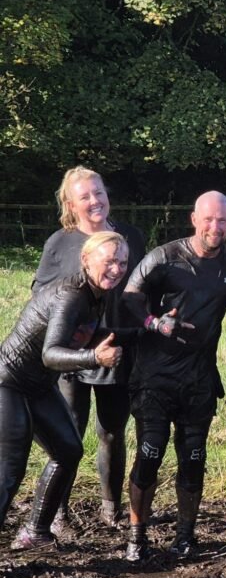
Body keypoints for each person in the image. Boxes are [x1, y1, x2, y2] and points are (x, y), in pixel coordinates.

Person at [120, 191, 226, 560]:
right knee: (150, 453)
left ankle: (185, 536)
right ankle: (136, 536)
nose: (214, 227)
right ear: (194, 219)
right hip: (155, 377)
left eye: (222, 220)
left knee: (194, 459)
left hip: (200, 379)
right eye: (208, 219)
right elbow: (129, 295)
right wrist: (154, 323)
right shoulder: (165, 257)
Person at [33, 167, 146, 529]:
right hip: (74, 355)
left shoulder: (130, 236)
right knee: (69, 433)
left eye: (98, 192)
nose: (95, 201)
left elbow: (144, 290)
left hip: (117, 350)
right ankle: (58, 512)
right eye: (85, 196)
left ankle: (111, 507)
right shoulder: (59, 243)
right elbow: (41, 295)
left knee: (112, 431)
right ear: (71, 203)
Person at [2, 231, 127, 549]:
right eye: (109, 260)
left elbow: (94, 331)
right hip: (10, 382)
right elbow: (51, 353)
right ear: (86, 259)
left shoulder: (97, 292)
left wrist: (152, 331)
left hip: (38, 386)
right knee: (10, 467)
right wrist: (94, 357)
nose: (117, 268)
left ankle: (36, 532)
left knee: (68, 450)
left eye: (123, 262)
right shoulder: (72, 294)